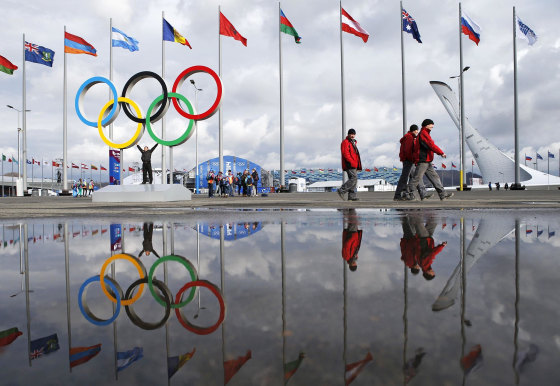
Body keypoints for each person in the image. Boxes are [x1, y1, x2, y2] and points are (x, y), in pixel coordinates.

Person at [406, 119, 453, 201]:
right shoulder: (423, 134)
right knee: (417, 178)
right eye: (431, 124)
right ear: (426, 125)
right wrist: (441, 153)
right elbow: (431, 145)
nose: (432, 126)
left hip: (427, 161)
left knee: (435, 177)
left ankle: (443, 195)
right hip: (423, 160)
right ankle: (405, 194)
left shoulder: (425, 133)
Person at [394, 125, 432, 201]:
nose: (417, 132)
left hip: (408, 160)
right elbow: (408, 150)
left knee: (412, 177)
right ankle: (420, 194)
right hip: (409, 160)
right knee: (413, 177)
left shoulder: (410, 137)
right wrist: (413, 160)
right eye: (417, 130)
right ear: (414, 130)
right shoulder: (409, 137)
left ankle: (409, 195)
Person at [410, 214, 447, 280]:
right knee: (433, 221)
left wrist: (442, 246)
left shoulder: (425, 264)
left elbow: (432, 253)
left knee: (417, 221)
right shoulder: (422, 265)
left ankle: (412, 210)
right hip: (427, 238)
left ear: (427, 273)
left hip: (423, 238)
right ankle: (433, 210)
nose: (433, 271)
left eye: (432, 273)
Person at [337, 128, 362, 201]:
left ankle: (352, 196)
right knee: (353, 178)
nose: (353, 135)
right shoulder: (346, 142)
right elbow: (345, 153)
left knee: (354, 179)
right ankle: (341, 190)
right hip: (349, 164)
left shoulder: (353, 142)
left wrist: (356, 164)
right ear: (348, 134)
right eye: (351, 134)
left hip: (354, 164)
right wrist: (351, 162)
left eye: (354, 134)